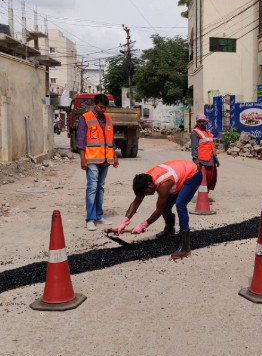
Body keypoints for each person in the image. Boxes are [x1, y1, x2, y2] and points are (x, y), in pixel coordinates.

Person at [116, 159, 203, 258]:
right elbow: (136, 202)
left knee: (180, 204)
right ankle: (169, 229)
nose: (146, 195)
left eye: (146, 193)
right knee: (166, 204)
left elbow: (159, 210)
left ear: (150, 185)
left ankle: (185, 247)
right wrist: (124, 221)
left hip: (193, 175)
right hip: (180, 175)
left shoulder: (163, 185)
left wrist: (143, 225)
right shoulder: (145, 180)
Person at [77, 93, 118, 231]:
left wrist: (114, 156)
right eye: (101, 107)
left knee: (100, 187)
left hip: (105, 160)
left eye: (105, 107)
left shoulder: (108, 119)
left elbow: (111, 139)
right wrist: (83, 159)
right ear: (95, 104)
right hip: (91, 159)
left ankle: (99, 215)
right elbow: (81, 140)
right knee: (92, 187)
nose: (103, 109)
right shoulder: (86, 118)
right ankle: (90, 218)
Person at [191, 113, 219, 198]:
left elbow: (211, 146)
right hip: (202, 161)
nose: (201, 123)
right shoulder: (195, 133)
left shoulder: (208, 132)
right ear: (197, 123)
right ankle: (202, 198)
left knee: (211, 179)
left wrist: (216, 159)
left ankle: (205, 196)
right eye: (199, 122)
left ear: (206, 122)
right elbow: (194, 148)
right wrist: (196, 161)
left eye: (203, 121)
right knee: (203, 180)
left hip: (211, 160)